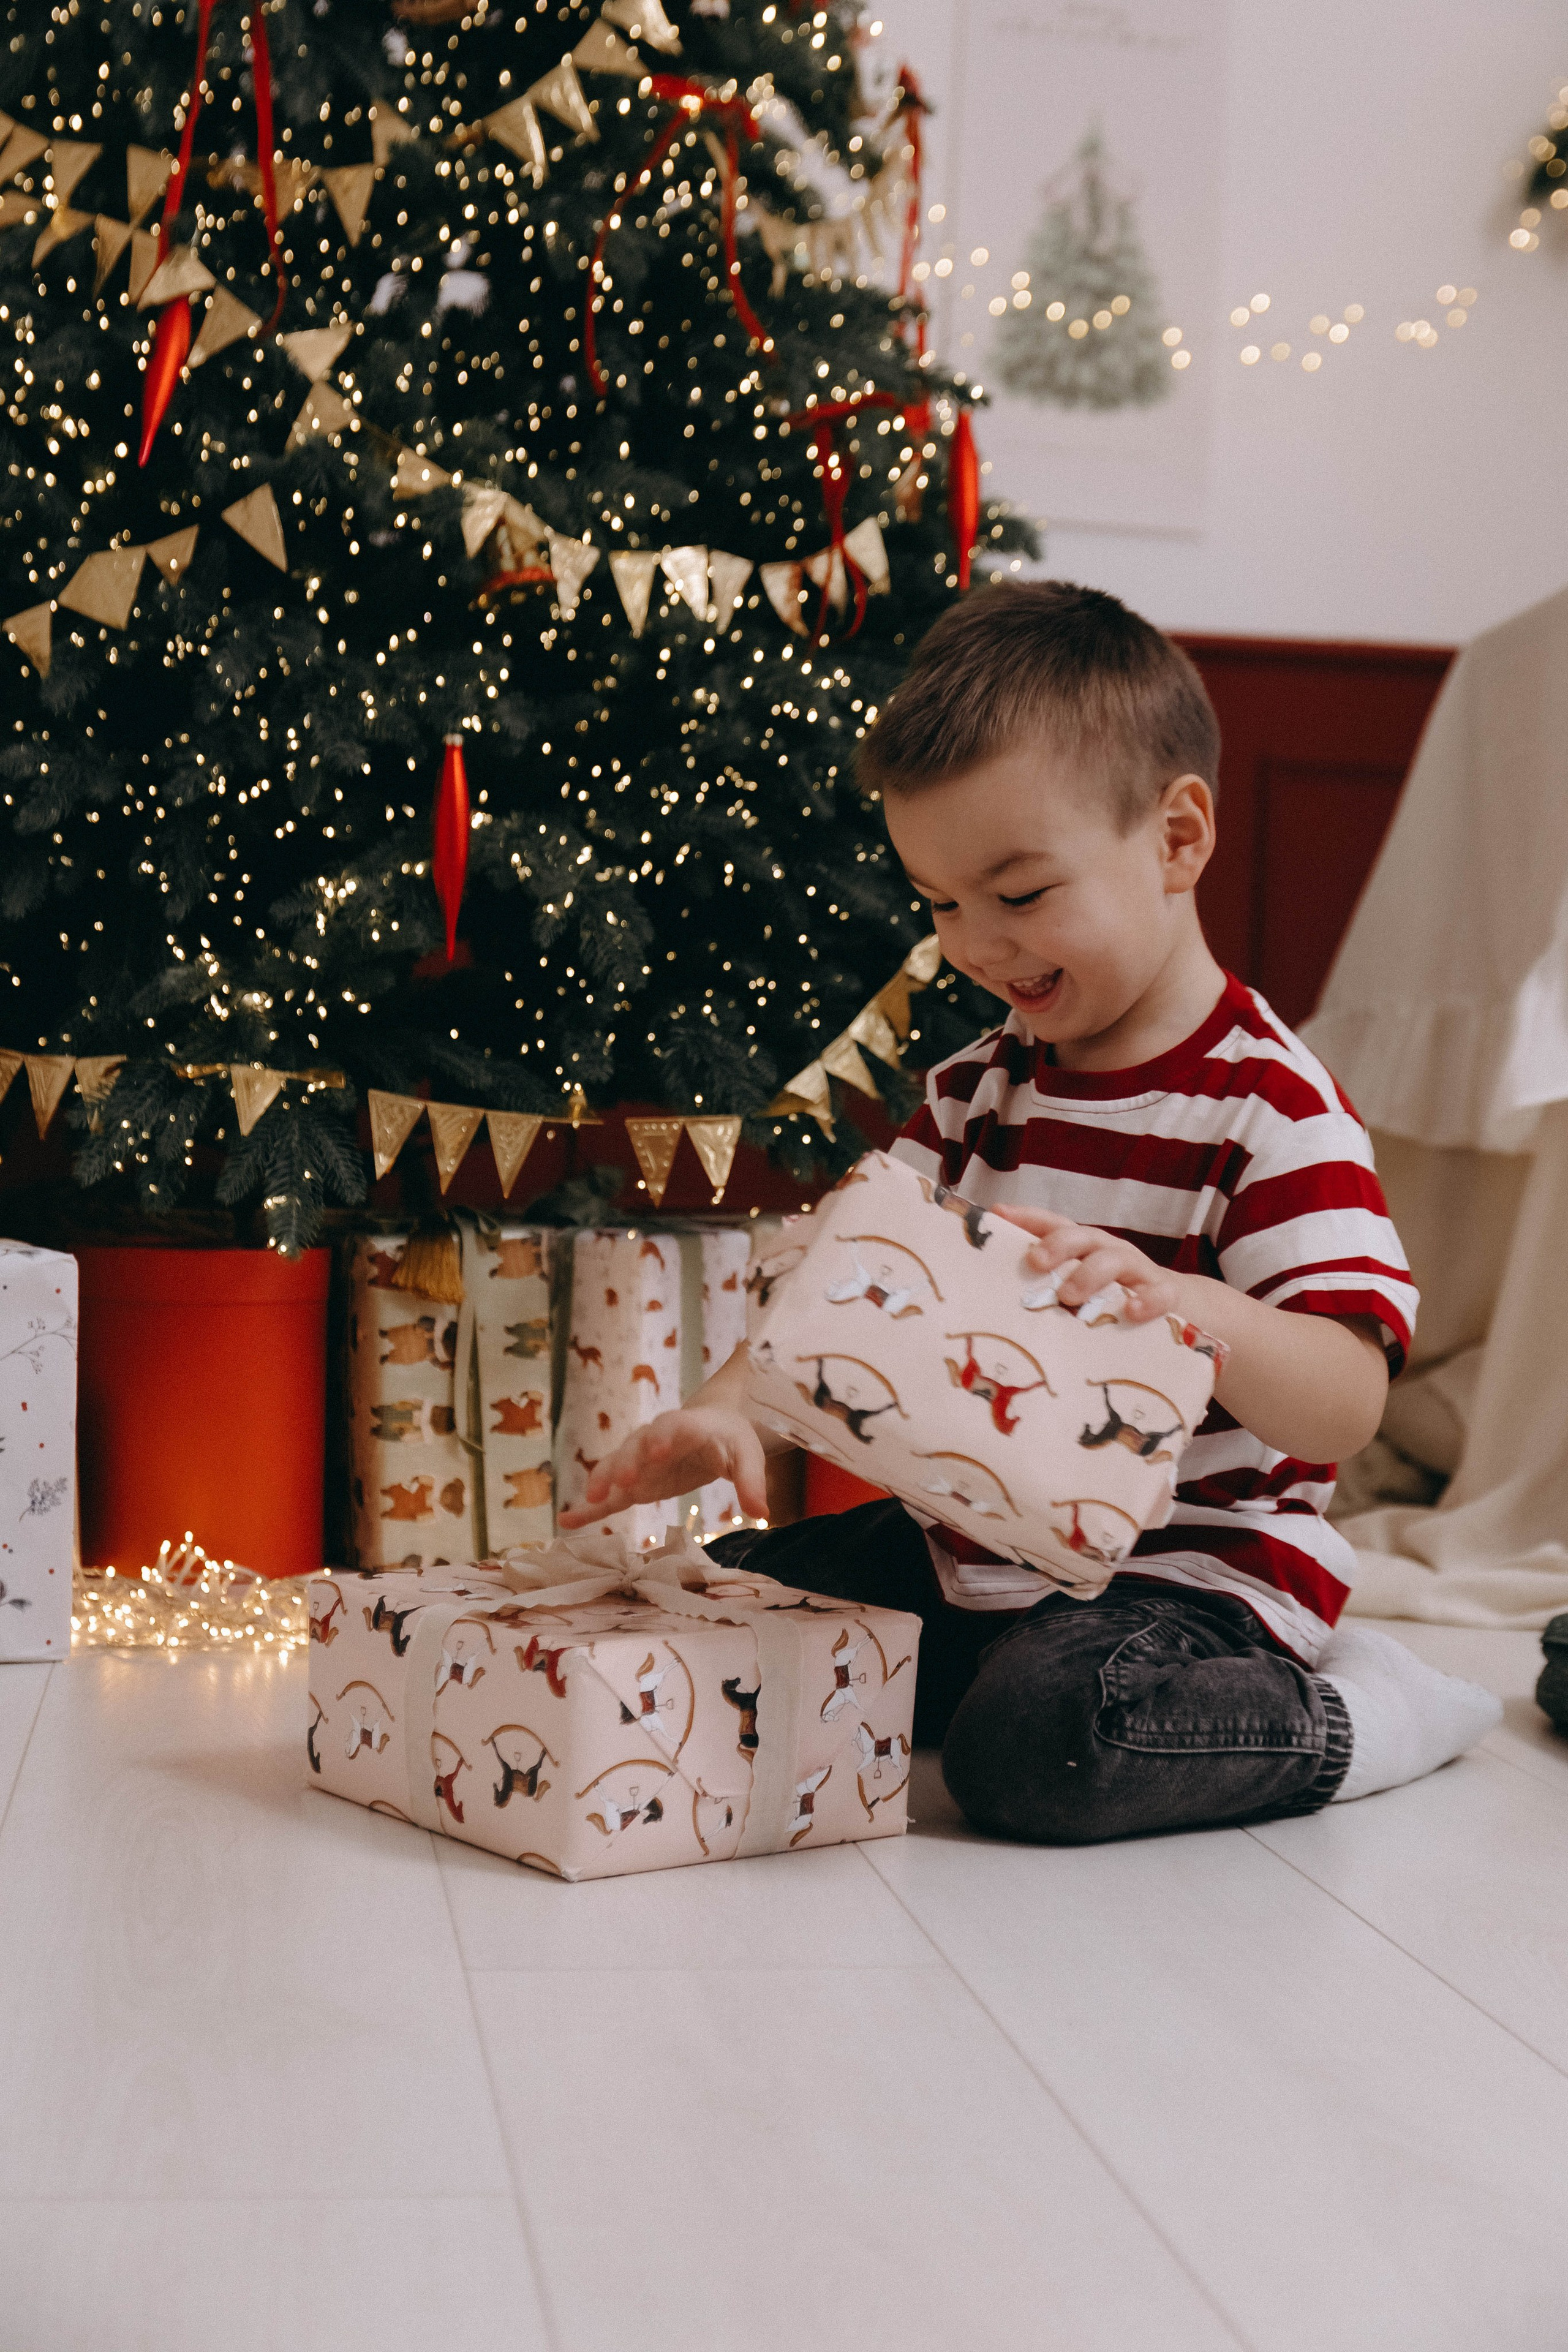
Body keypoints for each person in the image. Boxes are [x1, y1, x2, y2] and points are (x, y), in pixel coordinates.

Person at [560, 582, 1499, 1843]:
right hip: (976, 1556)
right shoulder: (971, 1092)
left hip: (1185, 1575)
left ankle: (1353, 1719)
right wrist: (725, 1410)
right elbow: (836, 1289)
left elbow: (1347, 1396)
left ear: (1176, 839)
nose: (977, 945)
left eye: (1017, 894)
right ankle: (974, 1676)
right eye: (941, 904)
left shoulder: (1268, 1107)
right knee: (728, 1615)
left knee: (1040, 1750)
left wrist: (1194, 1310)